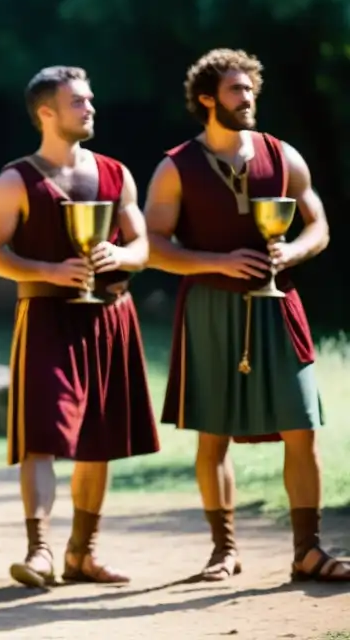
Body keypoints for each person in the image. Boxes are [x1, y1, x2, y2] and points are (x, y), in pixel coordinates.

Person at [143, 48, 348, 583]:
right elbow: (154, 246)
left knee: (302, 427)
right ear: (207, 98)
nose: (248, 97)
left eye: (251, 89)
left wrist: (293, 252)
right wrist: (219, 261)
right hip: (210, 308)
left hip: (280, 305)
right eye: (236, 90)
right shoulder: (175, 167)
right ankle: (223, 552)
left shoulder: (283, 156)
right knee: (213, 436)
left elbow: (318, 225)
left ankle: (308, 551)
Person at [0, 66, 160, 589]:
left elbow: (144, 249)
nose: (90, 108)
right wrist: (49, 271)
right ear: (46, 113)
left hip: (108, 315)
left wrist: (119, 251)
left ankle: (84, 553)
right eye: (78, 101)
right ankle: (40, 553)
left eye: (90, 100)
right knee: (41, 438)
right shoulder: (17, 179)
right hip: (45, 316)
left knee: (98, 441)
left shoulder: (116, 173)